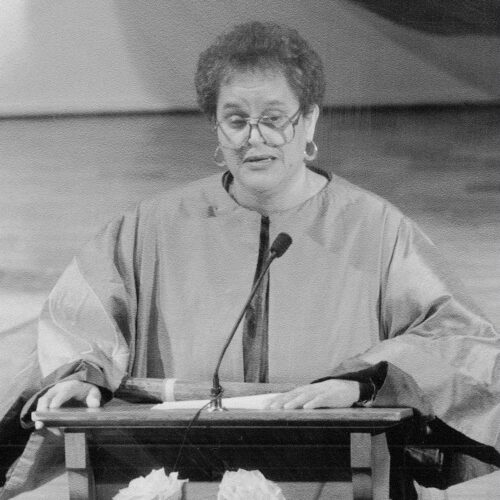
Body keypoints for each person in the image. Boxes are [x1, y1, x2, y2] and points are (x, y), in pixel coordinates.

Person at [2, 20, 499, 499]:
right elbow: (78, 318)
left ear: (309, 120)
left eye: (273, 119)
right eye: (236, 120)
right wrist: (81, 373)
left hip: (336, 467)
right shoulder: (150, 228)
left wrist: (363, 381)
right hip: (170, 468)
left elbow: (457, 337)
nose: (253, 137)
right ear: (217, 128)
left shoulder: (376, 229)